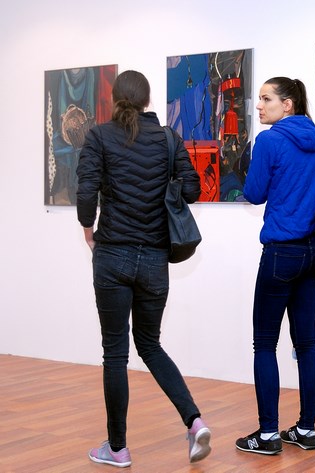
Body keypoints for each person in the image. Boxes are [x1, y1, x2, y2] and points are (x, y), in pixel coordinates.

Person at [76, 70, 211, 468]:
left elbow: (86, 194)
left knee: (115, 353)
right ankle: (194, 421)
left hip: (112, 255)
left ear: (115, 99)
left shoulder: (99, 136)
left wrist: (88, 229)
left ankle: (117, 448)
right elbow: (192, 189)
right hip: (154, 259)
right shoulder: (169, 138)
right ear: (148, 100)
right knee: (150, 345)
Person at [235, 76, 315, 455]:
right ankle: (306, 430)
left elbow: (253, 193)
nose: (259, 106)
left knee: (264, 343)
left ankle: (267, 435)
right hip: (313, 252)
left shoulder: (269, 141)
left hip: (281, 252)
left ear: (288, 104)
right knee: (305, 343)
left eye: (266, 99)